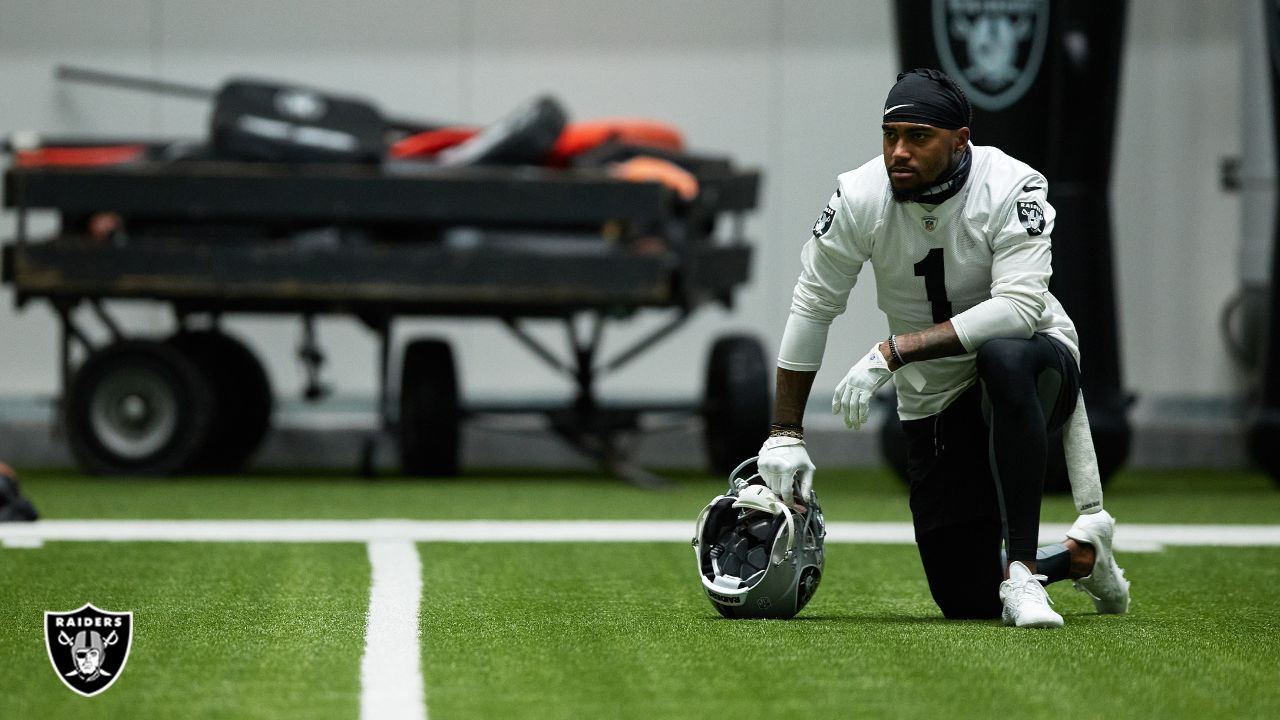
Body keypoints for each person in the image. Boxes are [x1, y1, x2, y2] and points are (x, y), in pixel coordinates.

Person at [756, 68, 1130, 628]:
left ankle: (1025, 574)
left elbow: (1021, 308)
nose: (898, 152)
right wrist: (784, 433)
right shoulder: (859, 195)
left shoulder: (1011, 186)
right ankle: (1081, 557)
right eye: (890, 136)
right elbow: (813, 303)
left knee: (1001, 355)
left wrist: (894, 351)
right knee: (965, 598)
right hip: (934, 397)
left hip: (1035, 368)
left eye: (918, 137)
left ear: (960, 140)